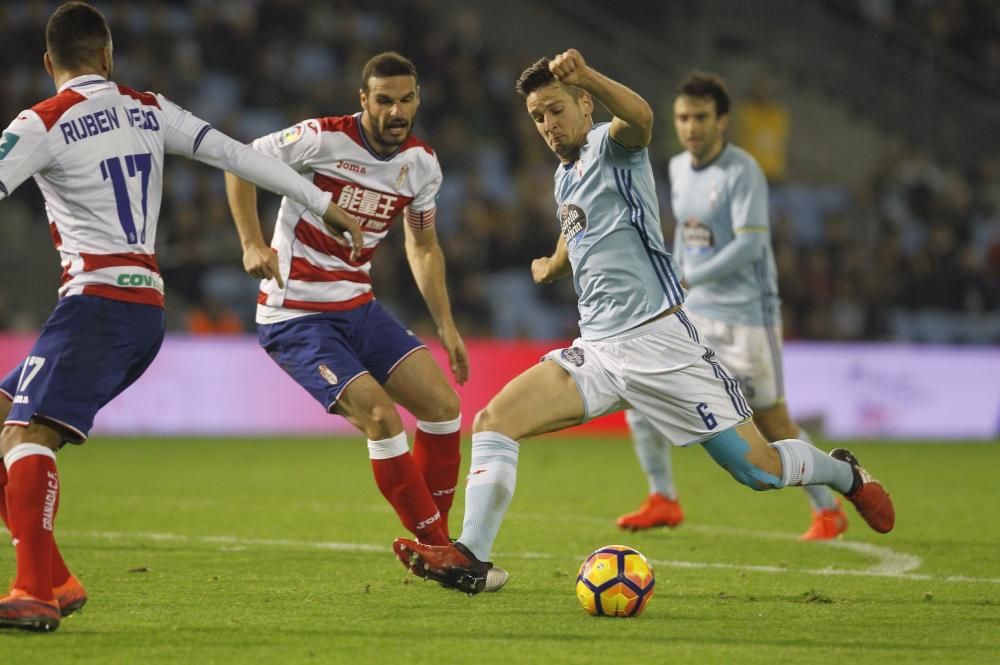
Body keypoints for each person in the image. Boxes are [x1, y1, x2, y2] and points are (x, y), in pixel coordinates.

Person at [392, 49, 894, 594]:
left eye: (556, 109)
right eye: (538, 117)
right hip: (600, 352)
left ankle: (845, 474)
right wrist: (552, 265)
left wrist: (586, 74)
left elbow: (643, 119)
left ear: (585, 105)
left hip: (663, 343)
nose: (547, 125)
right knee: (493, 421)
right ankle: (472, 559)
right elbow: (575, 227)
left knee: (759, 470)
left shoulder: (612, 143)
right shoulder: (565, 177)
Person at [0, 2, 363, 632]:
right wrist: (319, 201)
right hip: (142, 308)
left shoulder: (41, 122)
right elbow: (237, 154)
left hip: (96, 300)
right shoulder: (149, 108)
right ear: (108, 57)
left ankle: (33, 590)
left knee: (25, 437)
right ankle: (56, 576)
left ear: (47, 63)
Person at [223, 52, 508, 590]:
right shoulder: (321, 140)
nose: (396, 111)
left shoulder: (422, 165)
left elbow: (423, 245)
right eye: (384, 100)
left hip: (359, 306)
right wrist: (251, 242)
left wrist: (446, 325)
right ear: (363, 100)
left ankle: (436, 547)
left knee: (445, 407)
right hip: (296, 313)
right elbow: (238, 162)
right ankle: (445, 553)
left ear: (418, 99)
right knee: (381, 417)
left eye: (406, 99)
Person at [616, 72, 849, 541]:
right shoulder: (679, 169)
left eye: (701, 117)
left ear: (723, 120)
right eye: (682, 117)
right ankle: (663, 496)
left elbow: (750, 245)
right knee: (639, 389)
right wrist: (672, 277)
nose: (690, 127)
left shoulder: (743, 171)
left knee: (772, 421)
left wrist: (688, 275)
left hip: (748, 318)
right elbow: (685, 231)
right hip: (697, 313)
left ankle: (829, 509)